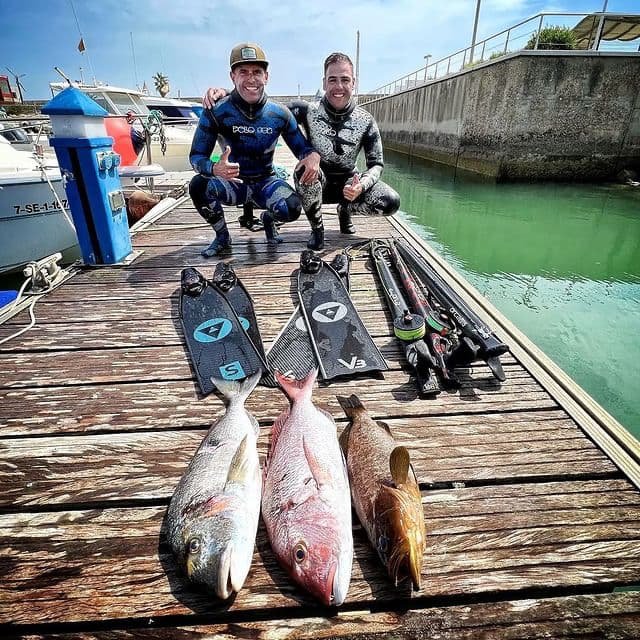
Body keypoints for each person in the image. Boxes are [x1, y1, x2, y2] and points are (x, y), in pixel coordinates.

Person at [204, 52, 400, 251]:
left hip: (349, 183)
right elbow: (262, 107)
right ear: (324, 83)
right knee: (304, 171)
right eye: (332, 80)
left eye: (345, 80)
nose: (339, 86)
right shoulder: (306, 110)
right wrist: (228, 93)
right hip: (316, 180)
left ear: (353, 83)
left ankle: (345, 210)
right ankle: (318, 230)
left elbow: (376, 164)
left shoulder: (366, 120)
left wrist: (362, 185)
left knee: (390, 202)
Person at [190, 42, 320, 257]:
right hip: (233, 183)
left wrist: (313, 155)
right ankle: (222, 237)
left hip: (265, 184)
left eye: (257, 72)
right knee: (198, 186)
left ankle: (268, 219)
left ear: (266, 76)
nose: (251, 79)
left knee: (293, 207)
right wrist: (214, 169)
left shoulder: (280, 113)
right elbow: (196, 156)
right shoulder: (216, 111)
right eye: (243, 72)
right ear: (233, 76)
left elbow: (303, 149)